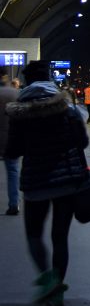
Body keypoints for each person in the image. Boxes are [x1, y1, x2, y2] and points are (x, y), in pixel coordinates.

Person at [4, 60, 89, 306]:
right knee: (59, 237)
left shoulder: (21, 112)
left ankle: (47, 279)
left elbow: (14, 150)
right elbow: (83, 142)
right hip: (66, 182)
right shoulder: (68, 109)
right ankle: (57, 288)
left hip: (35, 183)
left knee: (33, 235)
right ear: (50, 78)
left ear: (27, 82)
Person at [0, 70, 21, 215]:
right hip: (11, 139)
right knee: (13, 171)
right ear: (5, 77)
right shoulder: (15, 94)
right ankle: (14, 204)